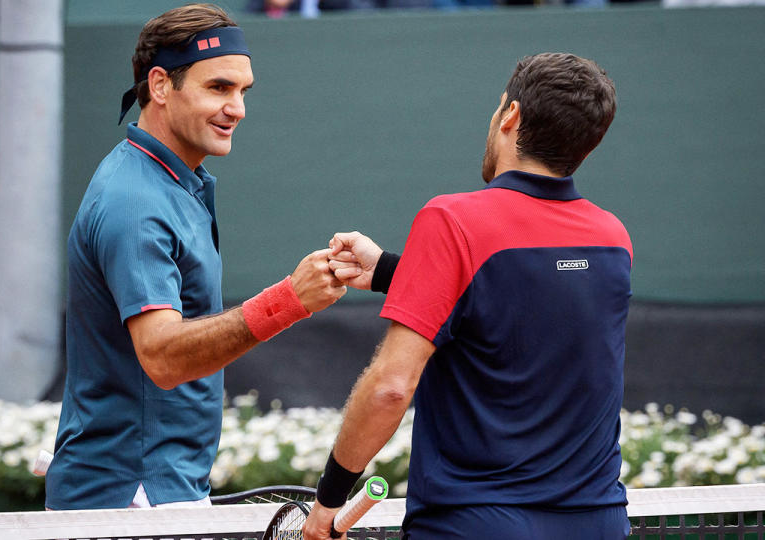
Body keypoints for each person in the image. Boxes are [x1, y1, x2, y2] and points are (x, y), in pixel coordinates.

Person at [302, 52, 632, 539]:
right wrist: (396, 271)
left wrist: (329, 501)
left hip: (475, 524)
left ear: (512, 116)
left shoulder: (453, 220)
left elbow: (392, 386)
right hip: (599, 524)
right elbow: (524, 301)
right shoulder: (612, 239)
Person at [45, 4, 346, 510]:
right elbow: (161, 357)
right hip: (132, 497)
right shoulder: (136, 202)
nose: (238, 108)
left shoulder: (169, 181)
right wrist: (289, 300)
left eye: (242, 91)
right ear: (160, 86)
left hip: (151, 488)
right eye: (219, 88)